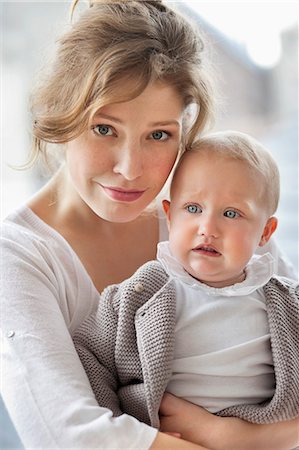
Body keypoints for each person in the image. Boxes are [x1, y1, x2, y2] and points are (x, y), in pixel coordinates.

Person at [0, 0, 297, 448]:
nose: (131, 169)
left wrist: (230, 435)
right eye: (105, 129)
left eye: (159, 135)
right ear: (63, 113)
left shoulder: (218, 221)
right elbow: (68, 435)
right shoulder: (17, 256)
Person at [73, 130, 299, 445]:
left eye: (231, 213)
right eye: (193, 208)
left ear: (265, 231)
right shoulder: (139, 295)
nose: (208, 228)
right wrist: (127, 432)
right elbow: (91, 361)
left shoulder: (288, 304)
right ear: (170, 215)